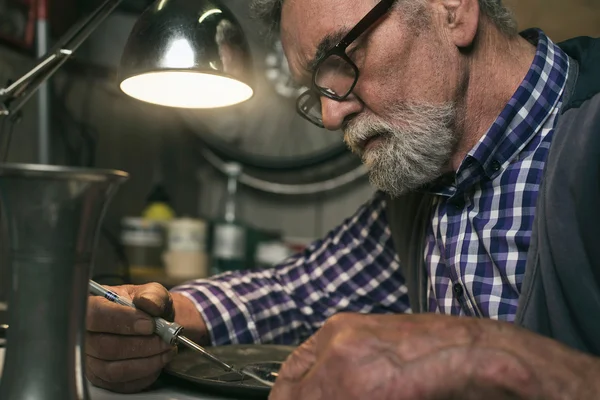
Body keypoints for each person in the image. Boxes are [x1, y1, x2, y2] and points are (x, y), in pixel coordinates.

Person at [85, 0, 600, 398]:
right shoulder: (430, 184)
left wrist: (476, 358)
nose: (332, 117)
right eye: (317, 90)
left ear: (452, 9)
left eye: (342, 58)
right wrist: (158, 317)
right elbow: (299, 291)